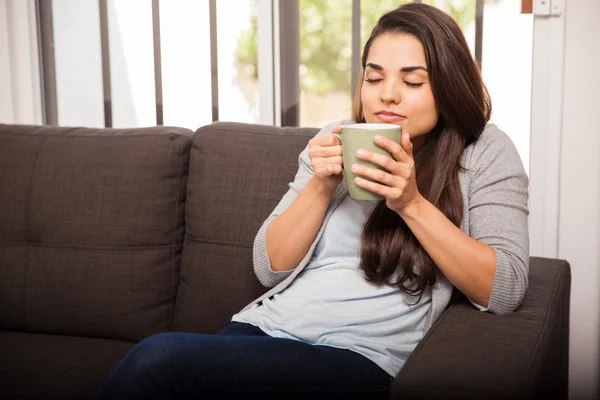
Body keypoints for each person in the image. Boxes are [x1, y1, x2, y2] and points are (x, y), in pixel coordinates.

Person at [95, 3, 529, 399]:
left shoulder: (484, 151)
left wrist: (411, 203)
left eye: (412, 80)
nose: (387, 94)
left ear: (449, 85)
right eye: (374, 77)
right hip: (264, 328)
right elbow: (269, 266)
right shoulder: (335, 137)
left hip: (360, 354)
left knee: (158, 359)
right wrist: (320, 185)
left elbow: (505, 287)